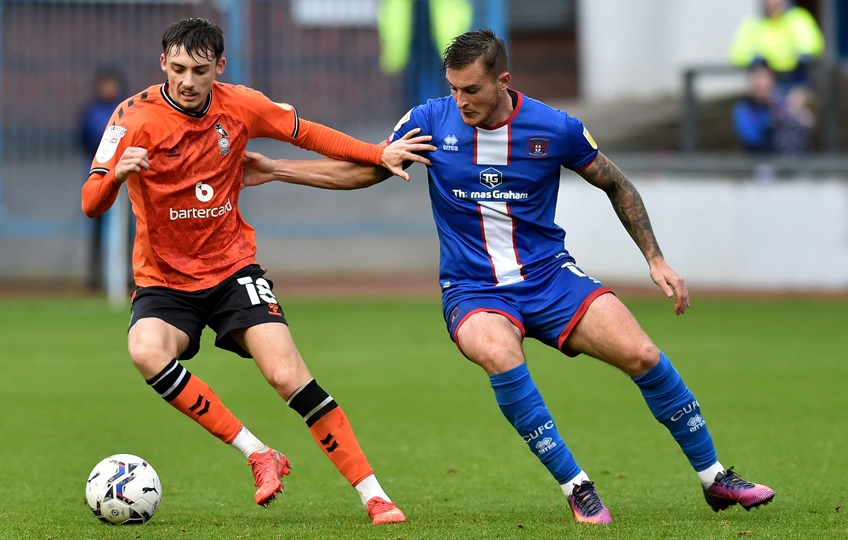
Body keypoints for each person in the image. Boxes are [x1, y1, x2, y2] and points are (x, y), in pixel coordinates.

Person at [242, 29, 776, 525]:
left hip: (549, 277)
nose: (461, 101)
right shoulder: (431, 120)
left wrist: (655, 259)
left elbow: (618, 185)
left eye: (471, 89)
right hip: (472, 290)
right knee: (499, 353)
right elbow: (368, 168)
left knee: (643, 354)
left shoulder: (555, 128)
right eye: (452, 89)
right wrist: (278, 169)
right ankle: (578, 487)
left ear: (503, 81)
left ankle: (715, 478)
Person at [81, 17, 433, 525]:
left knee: (287, 375)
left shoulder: (240, 104)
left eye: (199, 70)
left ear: (218, 68)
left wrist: (377, 152)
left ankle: (374, 495)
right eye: (177, 68)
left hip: (231, 269)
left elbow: (306, 133)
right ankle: (257, 452)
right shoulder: (129, 119)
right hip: (163, 280)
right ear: (162, 63)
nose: (186, 80)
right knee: (144, 350)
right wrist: (116, 173)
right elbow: (92, 202)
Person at [79, 68, 127, 290]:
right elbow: (83, 140)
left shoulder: (126, 110)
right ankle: (95, 276)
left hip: (125, 181)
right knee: (98, 229)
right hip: (100, 178)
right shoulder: (91, 112)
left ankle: (128, 274)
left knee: (128, 230)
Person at [729, 0, 824, 97]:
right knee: (762, 84)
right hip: (768, 78)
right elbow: (738, 54)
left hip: (796, 77)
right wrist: (756, 60)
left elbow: (811, 43)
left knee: (799, 100)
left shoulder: (797, 19)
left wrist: (804, 56)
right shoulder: (753, 24)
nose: (772, 5)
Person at [732, 65, 815, 154]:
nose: (763, 86)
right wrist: (772, 119)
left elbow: (807, 123)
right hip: (761, 159)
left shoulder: (779, 103)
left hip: (790, 160)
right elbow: (752, 138)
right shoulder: (745, 108)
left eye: (767, 82)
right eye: (759, 83)